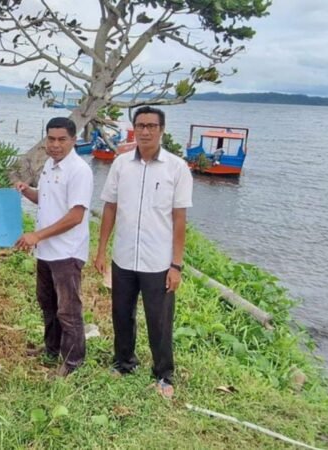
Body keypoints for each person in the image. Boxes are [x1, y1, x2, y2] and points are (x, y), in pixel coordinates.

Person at [93, 106, 193, 399]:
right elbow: (110, 207)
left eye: (151, 126)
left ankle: (164, 374)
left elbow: (179, 219)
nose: (145, 131)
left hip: (158, 261)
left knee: (159, 320)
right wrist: (101, 251)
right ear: (133, 129)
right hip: (123, 256)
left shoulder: (176, 168)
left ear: (162, 130)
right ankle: (124, 362)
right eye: (140, 125)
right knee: (121, 313)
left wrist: (176, 265)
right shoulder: (121, 164)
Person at [14, 117, 93, 377]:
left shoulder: (79, 170)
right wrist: (26, 191)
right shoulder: (50, 164)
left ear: (73, 140)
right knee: (47, 302)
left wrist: (37, 235)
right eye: (51, 139)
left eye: (62, 140)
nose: (56, 145)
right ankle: (51, 348)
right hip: (46, 251)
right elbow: (46, 199)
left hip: (67, 252)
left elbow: (75, 216)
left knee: (68, 310)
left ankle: (72, 362)